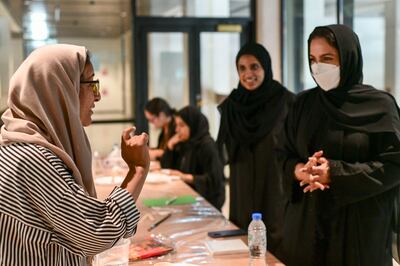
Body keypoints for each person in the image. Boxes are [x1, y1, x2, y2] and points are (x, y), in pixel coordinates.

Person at [0, 44, 150, 265]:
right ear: (60, 88)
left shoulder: (26, 144)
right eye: (91, 84)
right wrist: (137, 170)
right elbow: (97, 232)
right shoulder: (31, 158)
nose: (97, 97)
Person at [278, 24, 400, 266]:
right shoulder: (303, 105)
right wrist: (300, 170)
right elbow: (282, 154)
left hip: (359, 229)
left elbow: (394, 167)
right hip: (307, 226)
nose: (318, 67)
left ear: (348, 57)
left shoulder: (380, 107)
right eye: (312, 59)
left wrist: (335, 173)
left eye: (327, 58)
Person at [216, 43, 294, 255]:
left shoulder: (287, 102)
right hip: (242, 189)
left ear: (266, 68)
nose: (248, 73)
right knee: (243, 244)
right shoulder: (232, 105)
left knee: (277, 244)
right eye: (242, 68)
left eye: (254, 66)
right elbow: (221, 152)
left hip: (275, 188)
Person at [161, 105, 225, 210]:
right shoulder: (187, 143)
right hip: (188, 196)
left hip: (207, 202)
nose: (177, 130)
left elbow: (214, 181)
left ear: (193, 125)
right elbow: (166, 167)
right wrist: (169, 146)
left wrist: (185, 177)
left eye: (181, 125)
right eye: (176, 125)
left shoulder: (207, 145)